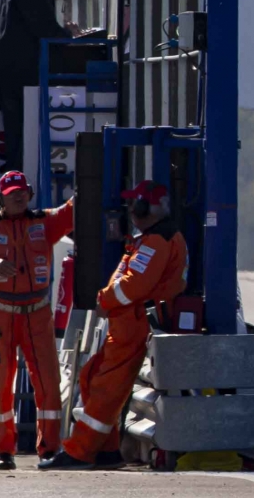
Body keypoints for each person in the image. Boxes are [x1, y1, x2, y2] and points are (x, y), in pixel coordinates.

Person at [41, 181, 186, 471]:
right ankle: (106, 450)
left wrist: (104, 300)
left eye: (134, 204)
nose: (130, 210)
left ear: (146, 207)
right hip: (127, 322)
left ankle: (80, 452)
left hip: (134, 323)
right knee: (93, 376)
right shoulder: (151, 238)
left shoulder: (158, 240)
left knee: (105, 387)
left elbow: (134, 285)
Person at [0, 171, 74, 468]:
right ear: (0, 198)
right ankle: (4, 451)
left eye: (23, 191)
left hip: (37, 313)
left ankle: (49, 449)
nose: (19, 197)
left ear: (30, 194)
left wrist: (91, 173)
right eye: (12, 194)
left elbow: (73, 210)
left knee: (48, 381)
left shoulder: (44, 221)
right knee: (0, 385)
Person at [0, 0, 81, 173]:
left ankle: (13, 182)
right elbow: (46, 30)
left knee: (14, 134)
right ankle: (25, 184)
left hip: (4, 71)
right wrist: (69, 33)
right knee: (28, 135)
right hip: (25, 74)